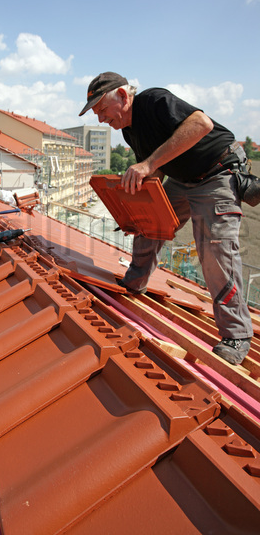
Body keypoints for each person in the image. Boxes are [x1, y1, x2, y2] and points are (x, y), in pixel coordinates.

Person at [79, 71, 253, 365]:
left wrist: (146, 165)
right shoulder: (128, 130)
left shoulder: (153, 100)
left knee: (214, 248)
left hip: (217, 174)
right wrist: (137, 194)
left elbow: (201, 124)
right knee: (151, 220)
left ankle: (236, 334)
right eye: (97, 114)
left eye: (102, 110)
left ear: (123, 96)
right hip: (183, 179)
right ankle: (136, 282)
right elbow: (156, 169)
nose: (101, 120)